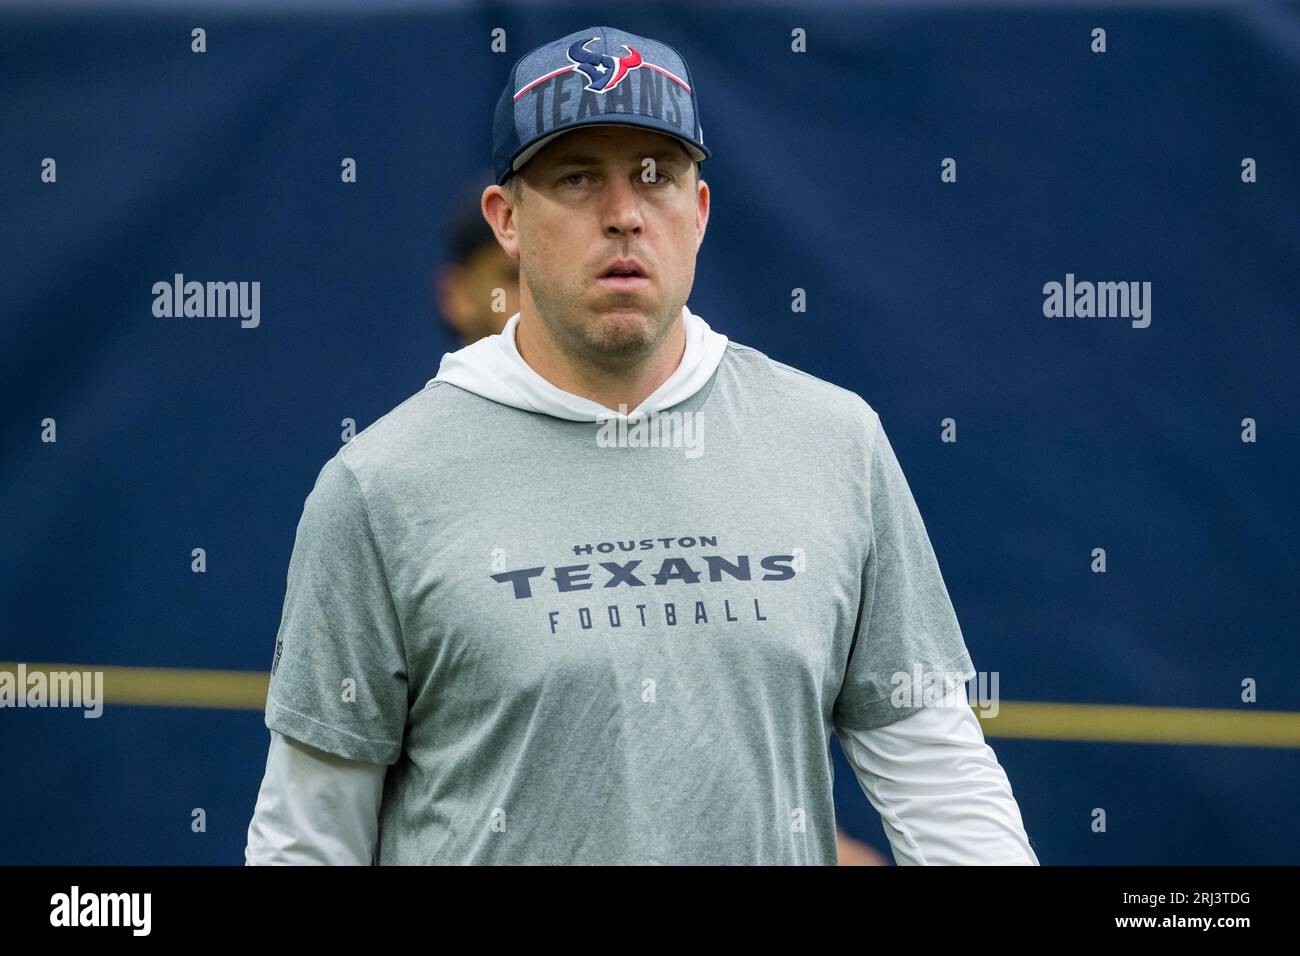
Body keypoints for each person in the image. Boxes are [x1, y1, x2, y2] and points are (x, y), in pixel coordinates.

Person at [245, 26, 1039, 865]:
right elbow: (308, 840)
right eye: (577, 177)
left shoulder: (836, 442)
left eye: (655, 176)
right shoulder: (378, 488)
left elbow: (941, 780)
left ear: (698, 210)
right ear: (506, 221)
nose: (623, 214)